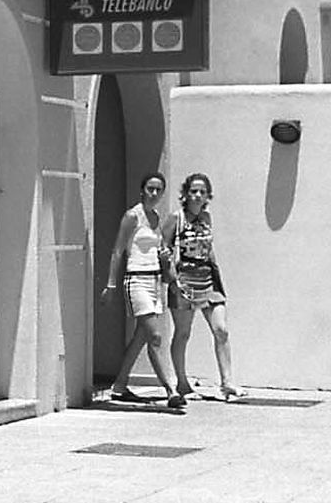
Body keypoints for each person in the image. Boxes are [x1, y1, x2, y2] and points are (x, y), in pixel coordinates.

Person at [101, 172, 186, 410]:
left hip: (154, 280)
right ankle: (170, 390)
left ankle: (119, 386)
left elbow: (158, 250)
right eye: (150, 188)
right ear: (142, 190)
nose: (155, 193)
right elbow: (118, 251)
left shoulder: (157, 218)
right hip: (136, 279)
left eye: (159, 189)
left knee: (141, 337)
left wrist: (165, 258)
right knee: (155, 336)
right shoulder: (132, 216)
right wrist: (111, 284)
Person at [165, 172, 244, 401]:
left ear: (208, 195)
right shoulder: (176, 218)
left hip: (207, 279)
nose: (198, 195)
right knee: (183, 333)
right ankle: (182, 383)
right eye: (193, 191)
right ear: (186, 194)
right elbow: (163, 246)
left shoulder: (207, 218)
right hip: (184, 280)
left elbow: (209, 249)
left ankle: (227, 382)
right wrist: (171, 279)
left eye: (202, 191)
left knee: (221, 329)